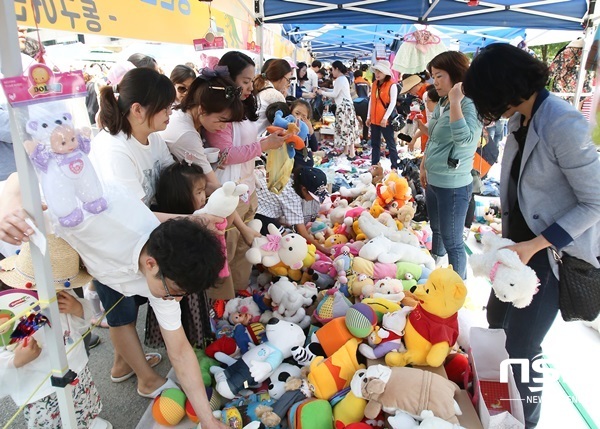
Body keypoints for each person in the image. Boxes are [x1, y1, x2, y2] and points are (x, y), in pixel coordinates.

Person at [0, 174, 230, 429]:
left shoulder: (166, 276)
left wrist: (208, 420)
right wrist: (8, 211)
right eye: (173, 291)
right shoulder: (96, 213)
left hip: (72, 264)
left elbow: (180, 351)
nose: (174, 300)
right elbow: (20, 177)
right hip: (22, 242)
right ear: (151, 264)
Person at [463, 43, 600, 428]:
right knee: (495, 322)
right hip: (518, 252)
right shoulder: (520, 119)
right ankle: (500, 408)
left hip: (553, 255)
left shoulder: (562, 123)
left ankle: (526, 421)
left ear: (504, 87)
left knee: (523, 347)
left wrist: (537, 244)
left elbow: (595, 200)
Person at [0, 236, 111, 429]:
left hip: (75, 366)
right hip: (40, 386)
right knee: (53, 421)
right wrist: (16, 360)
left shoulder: (62, 296)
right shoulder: (11, 311)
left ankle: (88, 422)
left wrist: (77, 308)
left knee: (83, 403)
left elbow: (81, 323)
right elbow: (6, 348)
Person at [204, 52, 286, 300]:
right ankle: (221, 302)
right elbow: (224, 155)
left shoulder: (242, 107)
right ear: (228, 79)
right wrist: (264, 145)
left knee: (243, 244)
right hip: (228, 191)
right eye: (246, 81)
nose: (251, 87)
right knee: (225, 251)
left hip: (247, 187)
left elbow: (245, 143)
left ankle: (238, 291)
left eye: (252, 81)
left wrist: (268, 140)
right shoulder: (219, 110)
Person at [418, 51, 481, 280]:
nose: (435, 81)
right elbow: (434, 137)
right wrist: (424, 165)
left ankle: (458, 288)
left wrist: (456, 100)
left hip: (453, 186)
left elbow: (465, 141)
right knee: (436, 229)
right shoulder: (443, 102)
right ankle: (434, 266)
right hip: (434, 180)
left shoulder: (469, 104)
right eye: (433, 76)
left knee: (453, 241)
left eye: (439, 75)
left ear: (455, 74)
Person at [145, 163, 212, 349]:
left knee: (192, 314)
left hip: (188, 283)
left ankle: (195, 345)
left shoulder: (197, 215)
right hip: (174, 285)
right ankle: (185, 347)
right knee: (181, 316)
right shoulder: (176, 224)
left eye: (203, 191)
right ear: (180, 195)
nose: (203, 196)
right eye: (198, 192)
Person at [160, 71, 244, 195]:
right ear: (202, 109)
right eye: (221, 120)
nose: (223, 127)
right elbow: (215, 187)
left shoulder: (185, 116)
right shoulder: (186, 134)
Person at [255, 166, 329, 254]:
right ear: (304, 189)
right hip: (258, 211)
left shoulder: (289, 181)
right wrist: (324, 250)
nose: (313, 200)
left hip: (257, 202)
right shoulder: (293, 198)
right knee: (286, 241)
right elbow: (304, 234)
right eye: (313, 197)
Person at [317, 61, 361, 159]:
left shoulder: (340, 79)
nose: (332, 72)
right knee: (345, 129)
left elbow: (335, 94)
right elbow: (336, 91)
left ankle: (351, 153)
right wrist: (326, 90)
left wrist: (322, 92)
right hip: (345, 107)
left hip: (344, 107)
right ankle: (346, 151)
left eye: (332, 69)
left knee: (347, 129)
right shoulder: (342, 79)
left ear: (337, 69)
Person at [367, 60, 399, 169]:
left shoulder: (392, 85)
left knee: (390, 144)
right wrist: (368, 116)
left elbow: (393, 103)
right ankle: (374, 165)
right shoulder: (374, 84)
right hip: (374, 119)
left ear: (386, 72)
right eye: (376, 71)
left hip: (386, 120)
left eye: (380, 71)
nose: (377, 73)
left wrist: (385, 118)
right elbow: (371, 101)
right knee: (375, 144)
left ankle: (394, 166)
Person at [253, 59, 294, 135]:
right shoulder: (275, 95)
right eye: (287, 80)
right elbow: (286, 123)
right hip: (255, 137)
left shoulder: (261, 86)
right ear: (280, 77)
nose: (287, 83)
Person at [409, 84, 440, 153]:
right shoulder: (435, 116)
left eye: (427, 101)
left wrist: (415, 137)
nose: (426, 104)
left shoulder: (443, 118)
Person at [290, 99, 319, 168]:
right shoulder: (287, 126)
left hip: (306, 167)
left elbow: (314, 147)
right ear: (291, 112)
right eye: (297, 113)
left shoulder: (305, 130)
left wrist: (310, 130)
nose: (299, 118)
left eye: (304, 116)